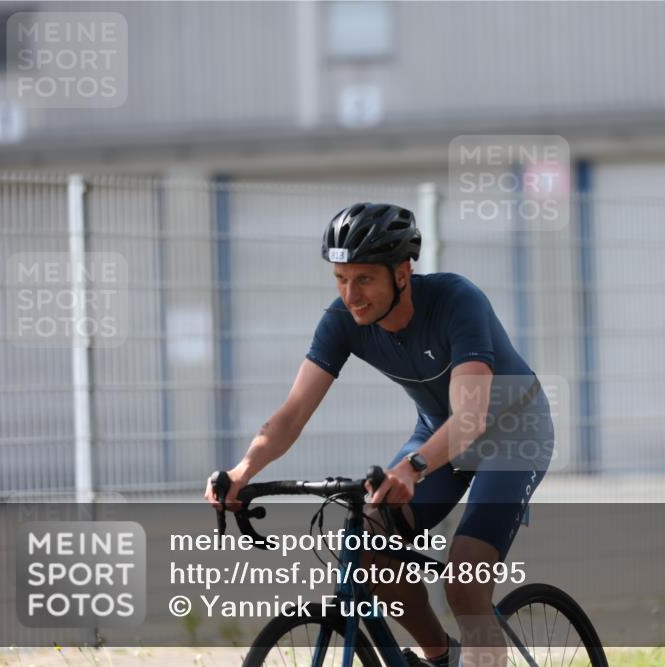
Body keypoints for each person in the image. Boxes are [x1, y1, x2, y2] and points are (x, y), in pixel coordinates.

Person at [206, 202, 553, 667]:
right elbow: (292, 413)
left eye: (364, 278)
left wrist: (413, 467)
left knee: (465, 578)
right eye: (341, 279)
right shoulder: (342, 321)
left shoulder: (456, 300)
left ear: (403, 272)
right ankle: (438, 655)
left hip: (511, 435)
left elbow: (471, 416)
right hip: (438, 436)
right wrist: (244, 469)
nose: (351, 295)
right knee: (370, 537)